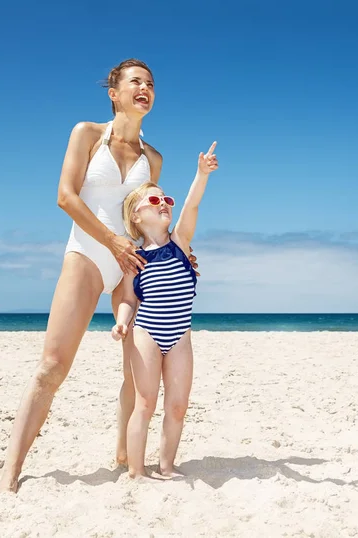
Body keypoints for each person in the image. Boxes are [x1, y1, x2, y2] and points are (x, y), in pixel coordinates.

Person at [0, 59, 196, 493]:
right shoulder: (87, 133)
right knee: (51, 367)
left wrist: (177, 249)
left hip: (131, 266)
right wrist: (111, 240)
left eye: (151, 83)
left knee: (134, 376)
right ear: (114, 92)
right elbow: (65, 197)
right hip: (88, 254)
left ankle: (125, 455)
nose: (145, 88)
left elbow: (150, 215)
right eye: (135, 82)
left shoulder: (154, 157)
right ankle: (10, 470)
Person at [110, 142, 218, 478]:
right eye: (155, 201)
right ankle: (137, 471)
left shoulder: (181, 244)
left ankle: (167, 466)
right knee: (145, 404)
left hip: (180, 336)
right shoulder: (136, 259)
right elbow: (129, 298)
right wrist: (122, 323)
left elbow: (193, 204)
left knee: (177, 406)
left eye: (166, 199)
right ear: (136, 217)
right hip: (147, 333)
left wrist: (202, 174)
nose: (164, 204)